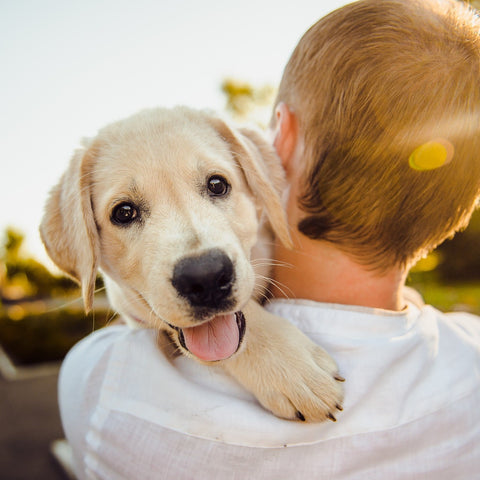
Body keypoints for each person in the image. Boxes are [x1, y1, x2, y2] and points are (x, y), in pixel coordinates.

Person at [58, 0, 480, 478]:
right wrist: (250, 333)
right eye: (127, 212)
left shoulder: (100, 385)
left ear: (278, 140)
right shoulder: (470, 364)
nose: (196, 258)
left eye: (216, 186)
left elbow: (124, 322)